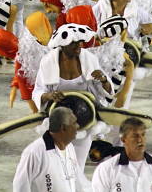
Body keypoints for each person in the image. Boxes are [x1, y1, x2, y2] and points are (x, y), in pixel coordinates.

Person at [32, 23, 113, 192]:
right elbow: (38, 91)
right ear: (62, 44)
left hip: (84, 122)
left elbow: (107, 92)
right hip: (58, 124)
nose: (78, 46)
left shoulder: (89, 59)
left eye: (81, 42)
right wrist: (49, 96)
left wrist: (104, 80)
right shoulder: (48, 62)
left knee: (77, 168)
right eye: (74, 43)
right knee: (58, 168)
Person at [93, 0, 152, 108]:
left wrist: (151, 28)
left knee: (122, 106)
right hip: (103, 62)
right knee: (101, 102)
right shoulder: (98, 10)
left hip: (131, 60)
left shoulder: (136, 10)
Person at [91, 117, 152, 192]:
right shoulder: (106, 169)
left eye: (143, 134)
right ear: (123, 140)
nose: (140, 140)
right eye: (135, 136)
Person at [12, 107, 81, 192]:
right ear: (64, 128)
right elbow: (20, 185)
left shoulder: (70, 148)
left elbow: (75, 181)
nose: (78, 126)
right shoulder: (34, 152)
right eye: (74, 123)